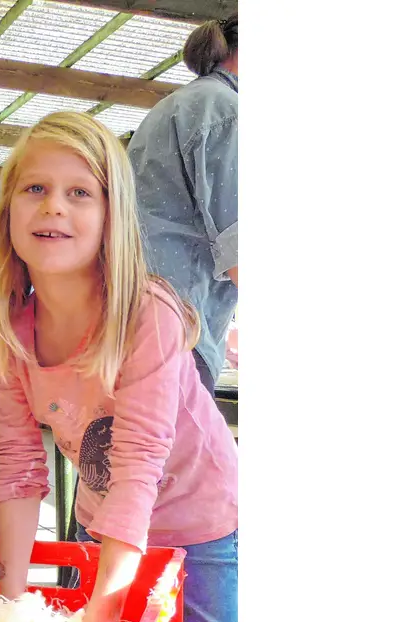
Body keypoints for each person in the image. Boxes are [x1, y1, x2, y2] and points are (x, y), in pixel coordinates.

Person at [0, 111, 240, 622]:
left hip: (202, 526)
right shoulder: (10, 331)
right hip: (118, 532)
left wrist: (102, 610)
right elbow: (21, 468)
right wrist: (10, 599)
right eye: (35, 190)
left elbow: (136, 467)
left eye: (78, 193)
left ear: (114, 215)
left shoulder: (147, 315)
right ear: (8, 216)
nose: (54, 208)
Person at [128, 15, 238, 392]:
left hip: (138, 314)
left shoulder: (176, 105)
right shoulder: (227, 110)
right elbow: (239, 244)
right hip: (180, 325)